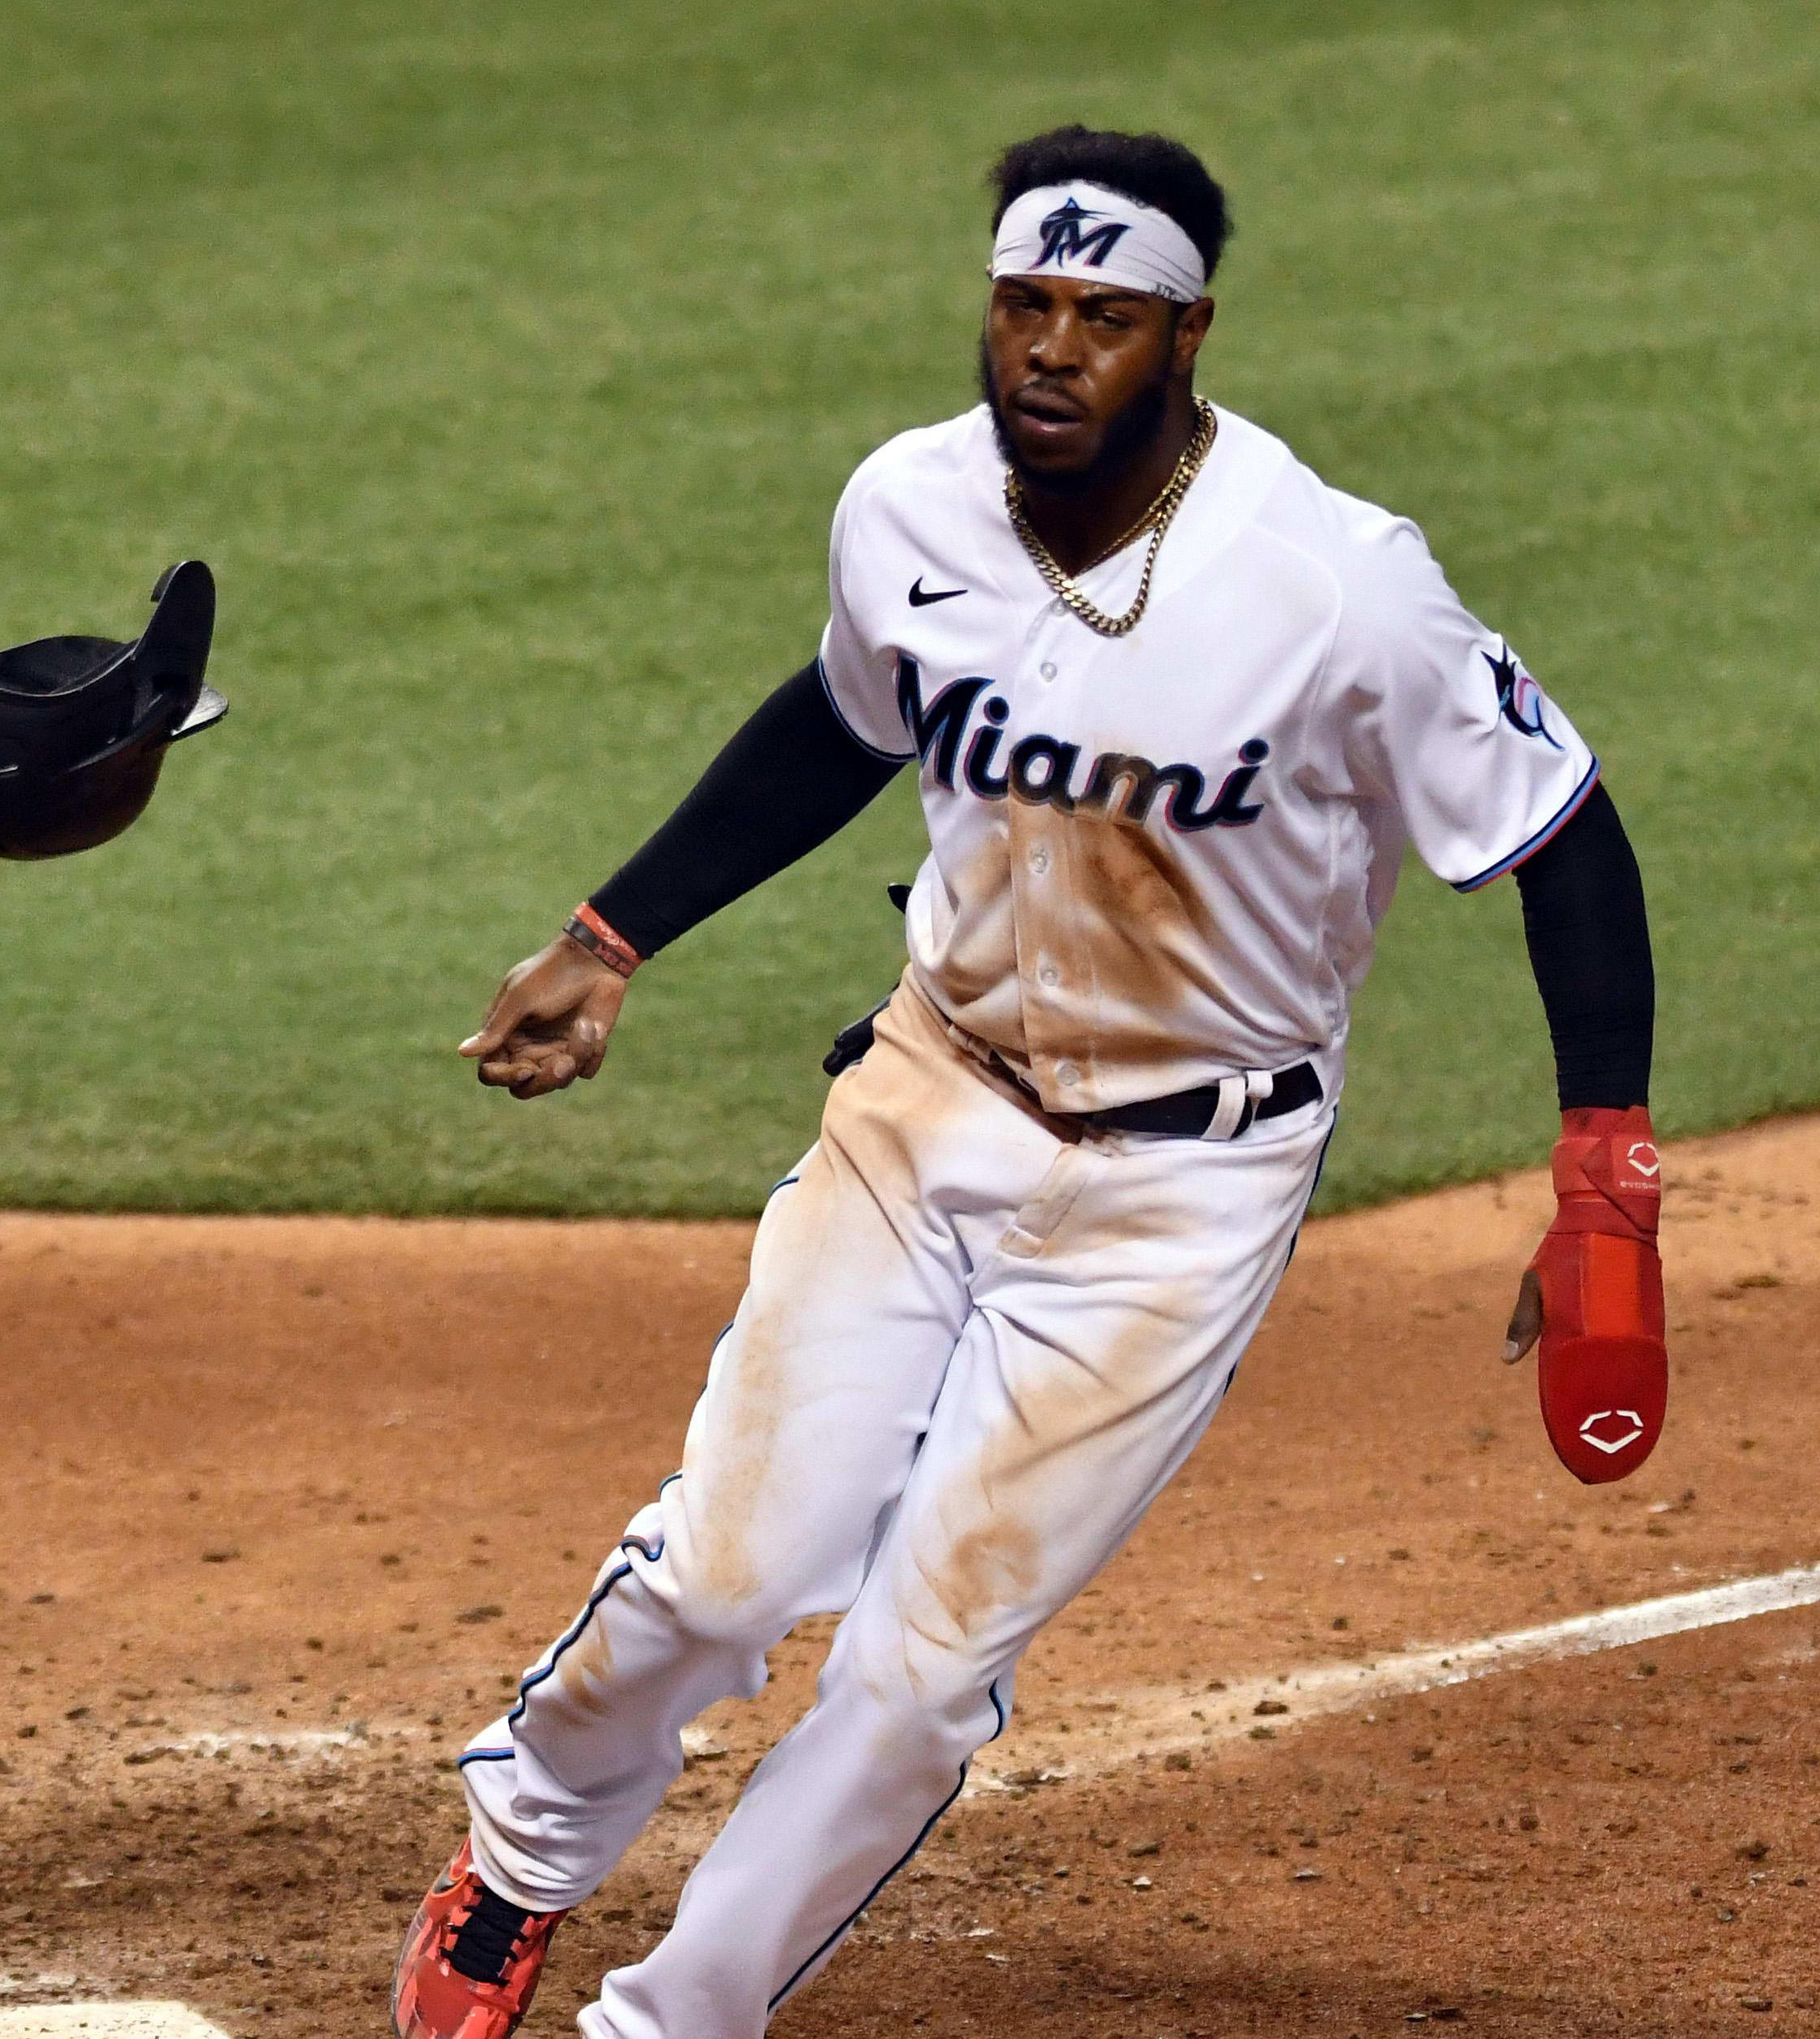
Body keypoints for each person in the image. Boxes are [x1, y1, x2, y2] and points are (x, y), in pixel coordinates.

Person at [393, 123, 1663, 2039]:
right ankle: (519, 1864)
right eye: (1023, 304)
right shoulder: (908, 507)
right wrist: (613, 931)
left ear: (1188, 336)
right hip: (927, 1107)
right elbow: (840, 719)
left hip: (1184, 1195)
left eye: (1103, 315)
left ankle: (677, 2020)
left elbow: (1561, 829)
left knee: (916, 1676)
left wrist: (1604, 1183)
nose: (1051, 350)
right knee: (724, 1575)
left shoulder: (1339, 588)